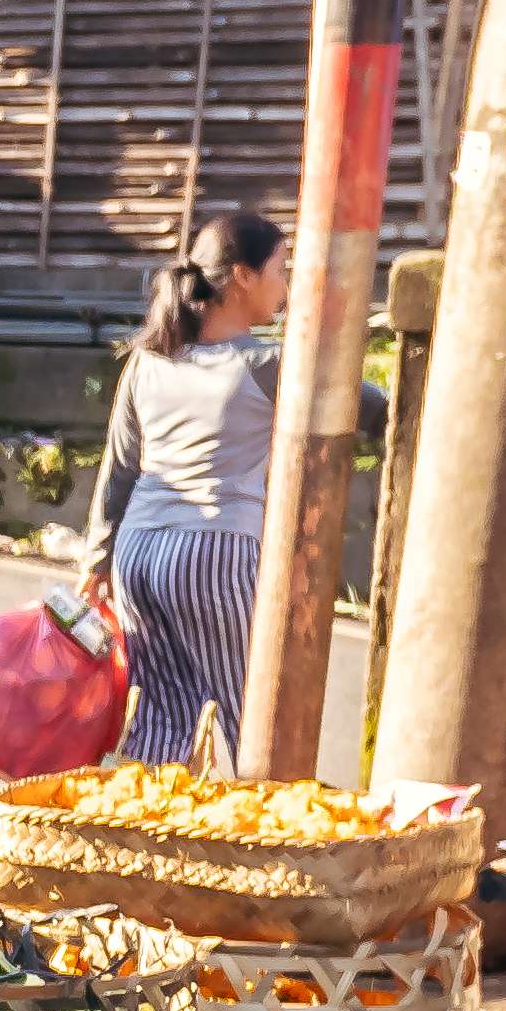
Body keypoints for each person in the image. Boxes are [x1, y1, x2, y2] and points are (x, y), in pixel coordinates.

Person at [83, 208, 328, 768]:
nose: (285, 286)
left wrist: (97, 561)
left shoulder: (147, 359)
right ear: (243, 276)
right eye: (280, 270)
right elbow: (370, 407)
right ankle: (263, 820)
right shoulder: (267, 364)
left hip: (138, 555)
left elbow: (120, 468)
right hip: (214, 552)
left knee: (159, 725)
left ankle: (145, 820)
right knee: (254, 716)